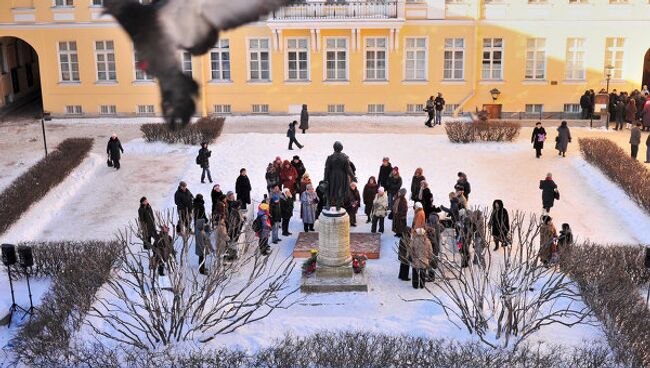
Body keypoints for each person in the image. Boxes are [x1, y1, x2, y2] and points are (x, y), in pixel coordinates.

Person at [322, 141, 354, 210]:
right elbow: (348, 168)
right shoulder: (344, 157)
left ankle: (328, 203)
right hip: (341, 176)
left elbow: (326, 169)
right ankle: (338, 205)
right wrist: (352, 176)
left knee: (330, 189)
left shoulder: (330, 157)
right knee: (340, 190)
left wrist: (325, 178)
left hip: (332, 176)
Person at [193, 194, 210, 274]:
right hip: (200, 226)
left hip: (200, 225)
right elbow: (200, 216)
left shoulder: (197, 205)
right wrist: (203, 224)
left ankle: (202, 268)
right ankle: (202, 270)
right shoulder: (198, 206)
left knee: (202, 253)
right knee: (201, 252)